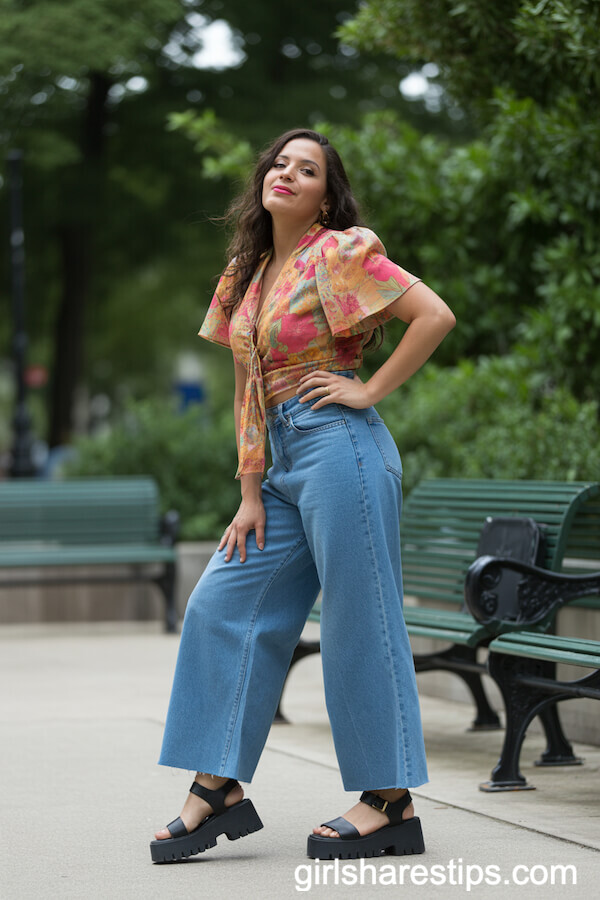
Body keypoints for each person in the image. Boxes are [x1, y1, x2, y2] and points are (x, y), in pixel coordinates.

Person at [150, 128, 456, 863]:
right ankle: (219, 784)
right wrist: (249, 491)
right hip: (279, 467)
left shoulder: (339, 252)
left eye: (307, 168)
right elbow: (244, 387)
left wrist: (369, 390)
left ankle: (390, 799)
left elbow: (434, 315)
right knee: (222, 604)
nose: (287, 173)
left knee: (359, 615)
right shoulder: (246, 274)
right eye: (280, 162)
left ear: (326, 192)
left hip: (338, 448)